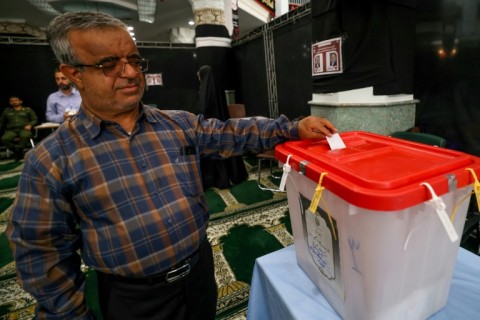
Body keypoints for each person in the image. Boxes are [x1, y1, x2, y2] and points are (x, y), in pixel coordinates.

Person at [6, 11, 337, 320]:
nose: (132, 72)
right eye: (110, 64)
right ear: (73, 74)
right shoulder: (51, 160)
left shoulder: (176, 123)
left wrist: (292, 128)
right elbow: (41, 253)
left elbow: (231, 133)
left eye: (134, 60)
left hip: (199, 274)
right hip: (136, 299)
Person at [196, 64, 248, 189]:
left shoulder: (204, 91)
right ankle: (233, 176)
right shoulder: (217, 88)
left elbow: (202, 110)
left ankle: (217, 180)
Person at [0, 95, 38, 161]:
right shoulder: (7, 111)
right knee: (4, 139)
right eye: (12, 101)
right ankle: (18, 151)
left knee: (24, 136)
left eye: (16, 100)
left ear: (20, 101)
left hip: (24, 129)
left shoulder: (27, 110)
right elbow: (1, 122)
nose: (14, 102)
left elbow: (34, 119)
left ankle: (18, 153)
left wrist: (30, 125)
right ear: (10, 102)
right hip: (11, 130)